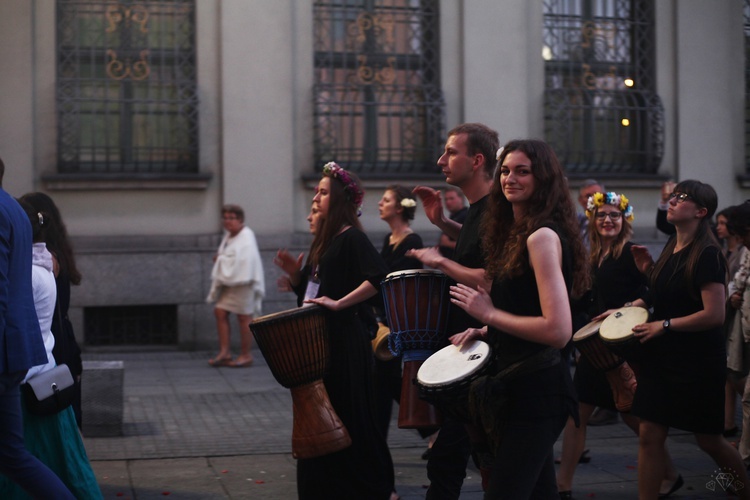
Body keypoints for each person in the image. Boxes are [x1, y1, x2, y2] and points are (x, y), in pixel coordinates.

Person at [448, 139, 589, 497]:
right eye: (506, 171)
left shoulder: (541, 237)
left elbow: (558, 330)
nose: (510, 178)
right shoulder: (519, 232)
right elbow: (525, 309)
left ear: (543, 178)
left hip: (538, 390)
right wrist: (484, 328)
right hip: (518, 386)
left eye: (522, 171)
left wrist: (490, 313)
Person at [274, 162, 395, 499]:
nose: (316, 196)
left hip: (345, 342)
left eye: (324, 192)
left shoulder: (351, 237)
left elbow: (379, 277)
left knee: (348, 414)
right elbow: (315, 293)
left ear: (340, 199)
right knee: (322, 414)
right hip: (322, 342)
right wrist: (297, 278)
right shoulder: (324, 243)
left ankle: (372, 487)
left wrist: (343, 303)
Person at [556, 192, 682, 499]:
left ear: (624, 220)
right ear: (593, 221)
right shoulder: (595, 254)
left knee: (627, 415)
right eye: (602, 215)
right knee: (582, 414)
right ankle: (563, 486)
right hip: (595, 348)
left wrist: (624, 307)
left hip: (621, 346)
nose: (608, 220)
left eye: (614, 215)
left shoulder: (628, 252)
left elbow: (654, 290)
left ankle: (670, 473)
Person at [630, 180, 750, 499]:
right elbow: (658, 295)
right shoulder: (673, 244)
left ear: (701, 211)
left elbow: (714, 314)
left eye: (682, 198)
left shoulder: (708, 253)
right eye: (674, 195)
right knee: (649, 433)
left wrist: (663, 326)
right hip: (663, 357)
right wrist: (625, 310)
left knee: (709, 440)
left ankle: (743, 491)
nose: (672, 200)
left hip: (696, 362)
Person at [407, 122, 499, 498]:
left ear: (477, 161)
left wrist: (439, 260)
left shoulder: (497, 208)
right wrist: (443, 222)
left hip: (487, 348)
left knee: (456, 456)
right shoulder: (477, 211)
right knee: (475, 455)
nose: (441, 160)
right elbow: (480, 246)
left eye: (450, 152)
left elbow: (490, 277)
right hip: (471, 345)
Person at [0, 199, 102, 499]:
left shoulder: (30, 274)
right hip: (39, 369)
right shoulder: (45, 267)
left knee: (21, 460)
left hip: (28, 377)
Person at [0, 157, 75, 498]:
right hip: (21, 354)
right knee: (15, 455)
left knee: (16, 455)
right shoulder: (12, 210)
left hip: (16, 356)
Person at [19, 192, 84, 429]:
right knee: (65, 415)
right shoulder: (56, 256)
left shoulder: (41, 263)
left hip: (53, 344)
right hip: (63, 341)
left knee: (52, 417)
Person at [373, 185, 424, 440]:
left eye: (385, 200)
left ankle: (431, 426)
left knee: (389, 378)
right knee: (387, 377)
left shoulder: (412, 240)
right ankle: (430, 427)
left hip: (399, 319)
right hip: (385, 317)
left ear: (399, 207)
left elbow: (396, 281)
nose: (380, 203)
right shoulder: (389, 239)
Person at [206, 204, 265, 368]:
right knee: (220, 311)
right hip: (230, 283)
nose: (227, 221)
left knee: (244, 317)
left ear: (240, 220)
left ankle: (246, 355)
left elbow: (244, 261)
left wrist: (220, 261)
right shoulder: (230, 236)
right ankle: (224, 352)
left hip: (244, 282)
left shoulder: (246, 236)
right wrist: (222, 260)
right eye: (225, 218)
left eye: (231, 218)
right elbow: (230, 257)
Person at [717, 205, 748, 438]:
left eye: (723, 223)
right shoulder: (725, 250)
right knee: (733, 374)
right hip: (736, 321)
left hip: (739, 320)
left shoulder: (742, 251)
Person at [438, 185, 468, 258]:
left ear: (461, 198)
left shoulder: (466, 216)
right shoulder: (453, 216)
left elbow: (468, 244)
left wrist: (447, 243)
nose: (448, 202)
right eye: (446, 199)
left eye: (451, 198)